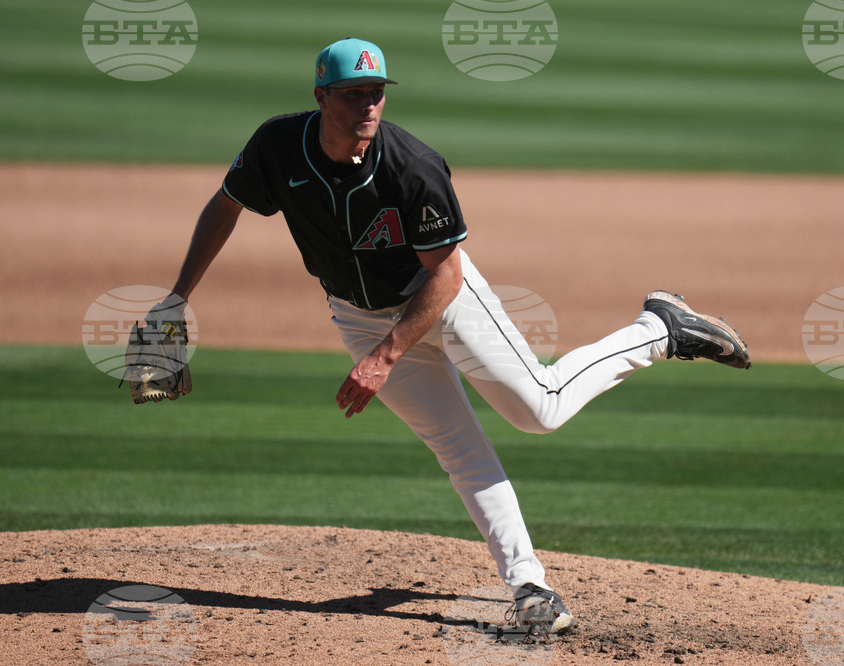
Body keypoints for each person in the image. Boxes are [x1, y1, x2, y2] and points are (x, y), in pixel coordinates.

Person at [163, 38, 750, 635]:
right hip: (359, 315)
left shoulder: (412, 166)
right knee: (457, 447)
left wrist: (386, 356)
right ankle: (530, 586)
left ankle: (658, 329)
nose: (368, 105)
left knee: (539, 410)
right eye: (353, 94)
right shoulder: (278, 146)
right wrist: (179, 296)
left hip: (443, 301)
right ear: (321, 97)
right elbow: (226, 205)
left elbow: (446, 273)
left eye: (376, 93)